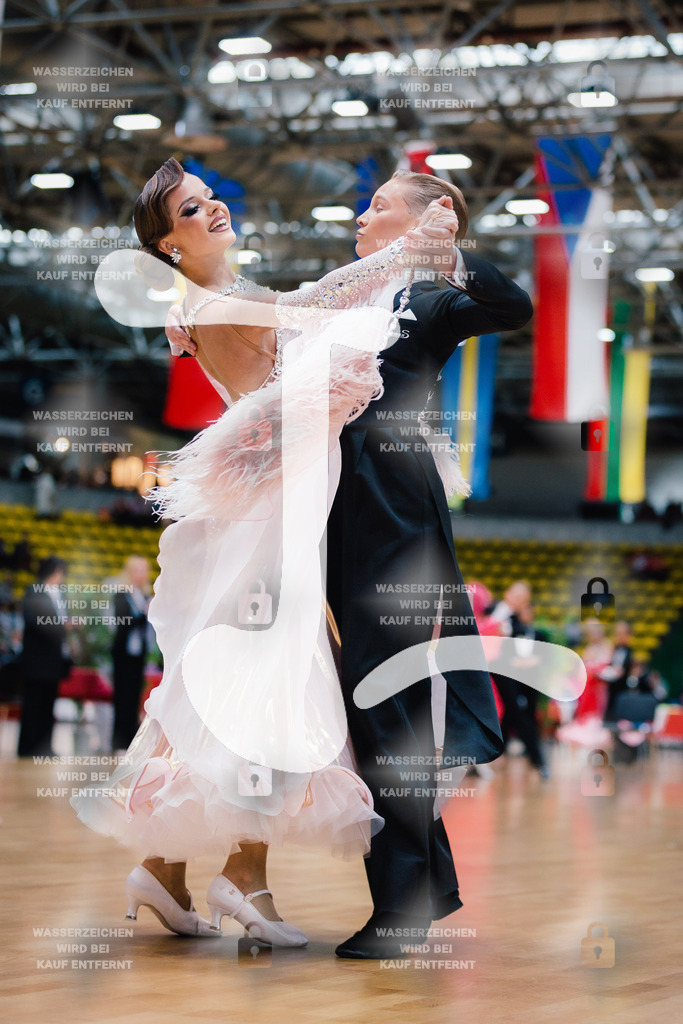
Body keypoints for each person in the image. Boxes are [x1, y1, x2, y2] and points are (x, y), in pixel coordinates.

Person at [72, 158, 460, 947]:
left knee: (246, 684)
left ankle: (168, 868)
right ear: (169, 244)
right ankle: (239, 880)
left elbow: (305, 317)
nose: (213, 210)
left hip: (275, 507)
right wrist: (408, 248)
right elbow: (320, 304)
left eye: (211, 197)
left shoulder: (210, 301)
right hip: (268, 520)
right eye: (191, 210)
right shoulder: (218, 300)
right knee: (264, 682)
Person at [168, 169, 533, 957]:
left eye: (378, 208)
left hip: (392, 528)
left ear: (423, 221)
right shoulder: (339, 300)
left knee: (388, 713)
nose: (361, 218)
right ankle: (418, 889)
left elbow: (514, 307)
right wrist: (193, 320)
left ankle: (401, 908)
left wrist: (448, 254)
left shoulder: (424, 300)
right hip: (323, 527)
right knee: (367, 716)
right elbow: (267, 356)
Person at [17, 557, 71, 757]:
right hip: (37, 660)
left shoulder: (60, 594)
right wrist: (61, 626)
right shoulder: (33, 592)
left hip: (54, 660)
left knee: (48, 705)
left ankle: (44, 747)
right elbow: (36, 622)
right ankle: (27, 748)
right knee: (32, 704)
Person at [111, 556, 152, 751]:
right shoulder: (121, 595)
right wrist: (144, 614)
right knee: (122, 696)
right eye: (139, 570)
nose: (142, 575)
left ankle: (131, 738)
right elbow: (124, 623)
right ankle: (118, 739)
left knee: (135, 696)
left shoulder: (143, 595)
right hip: (123, 654)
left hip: (138, 654)